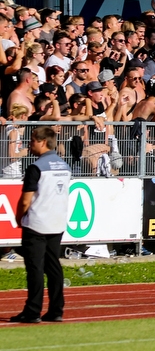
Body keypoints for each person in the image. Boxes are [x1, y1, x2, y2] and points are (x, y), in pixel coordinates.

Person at [10, 127, 72, 323]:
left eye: (33, 140)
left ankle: (33, 310)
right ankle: (56, 310)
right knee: (53, 266)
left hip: (37, 223)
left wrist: (19, 218)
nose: (30, 144)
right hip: (57, 222)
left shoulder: (36, 167)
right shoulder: (64, 166)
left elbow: (26, 200)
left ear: (43, 141)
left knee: (35, 267)